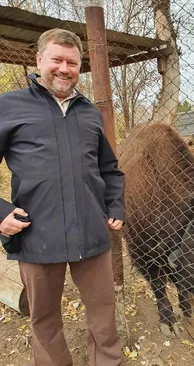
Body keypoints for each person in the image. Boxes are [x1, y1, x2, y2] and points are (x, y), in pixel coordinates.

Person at [0, 28, 125, 366]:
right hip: (37, 234)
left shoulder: (90, 113)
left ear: (79, 66)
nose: (64, 69)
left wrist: (115, 204)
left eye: (72, 62)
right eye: (57, 59)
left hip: (91, 233)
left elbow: (110, 169)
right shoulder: (7, 107)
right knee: (44, 319)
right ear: (39, 60)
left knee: (103, 312)